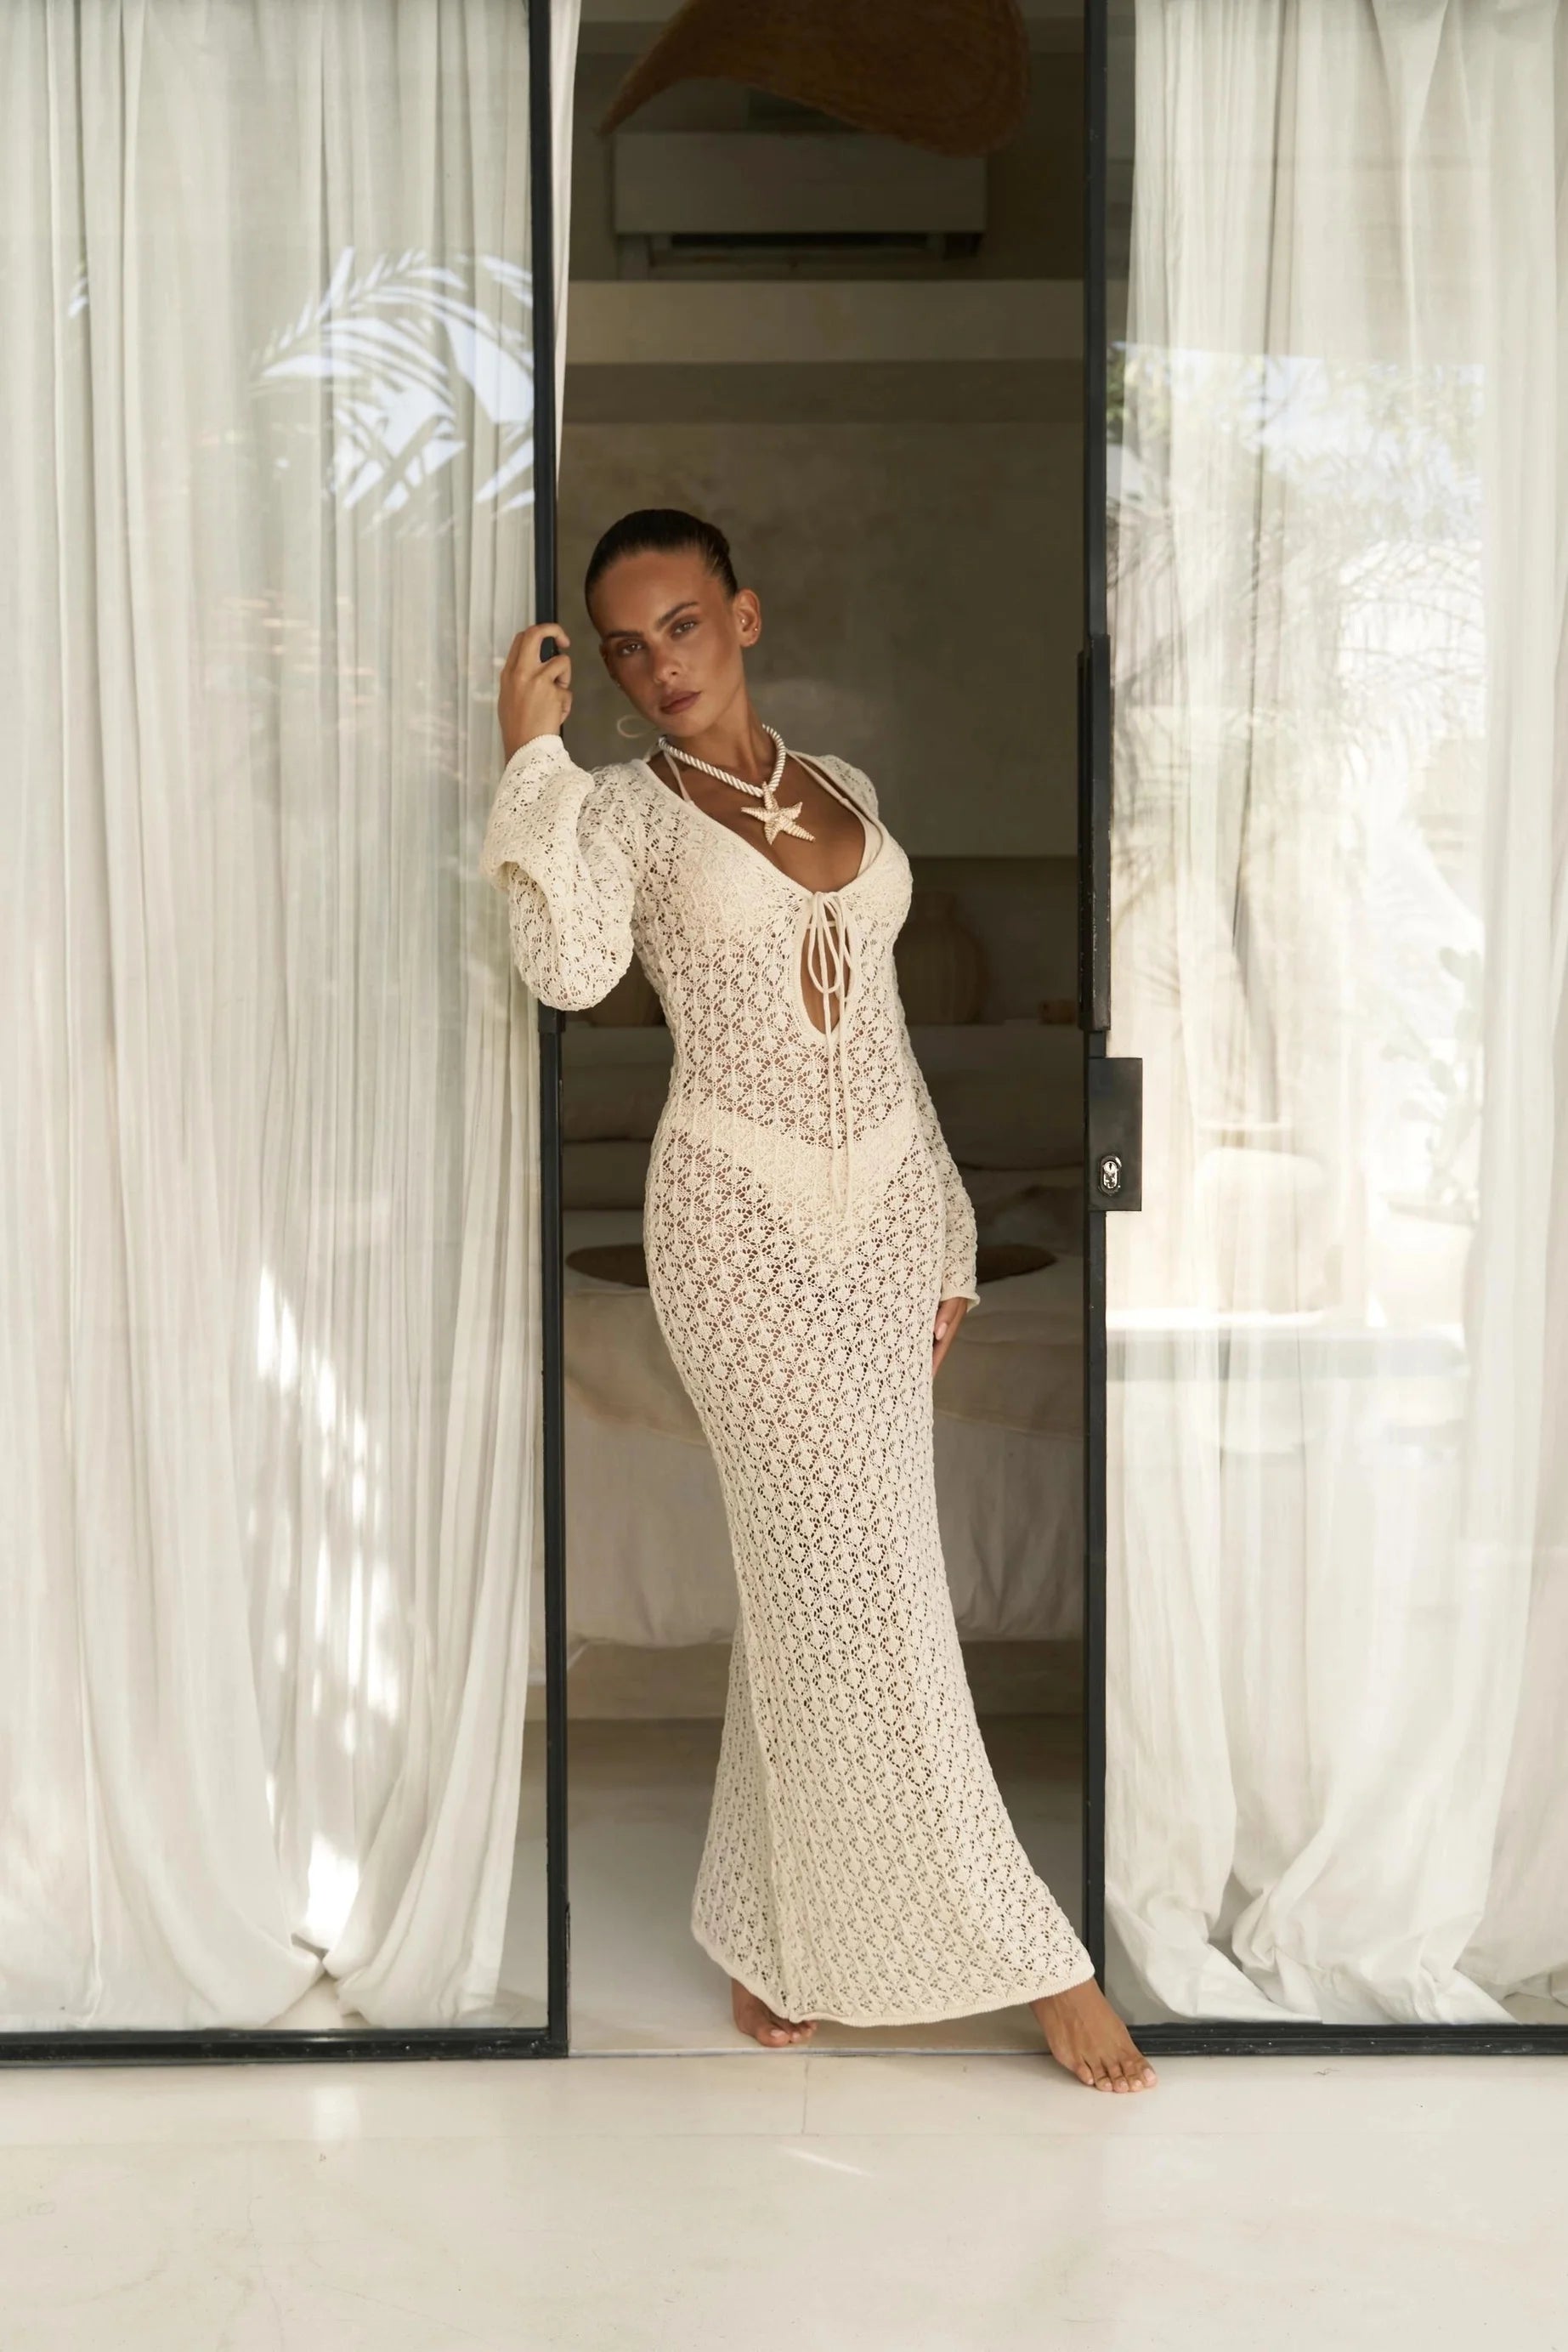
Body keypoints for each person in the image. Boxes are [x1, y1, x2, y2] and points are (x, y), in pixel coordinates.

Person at [484, 507, 1157, 2094]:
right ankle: (1031, 1956)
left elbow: (889, 1044)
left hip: (882, 1224)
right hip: (733, 1221)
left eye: (684, 627)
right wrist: (531, 761)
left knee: (818, 1579)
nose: (658, 665)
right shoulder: (621, 817)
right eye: (628, 645)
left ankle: (769, 1927)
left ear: (745, 616)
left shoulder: (846, 790)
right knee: (865, 1584)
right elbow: (568, 974)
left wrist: (943, 1232)